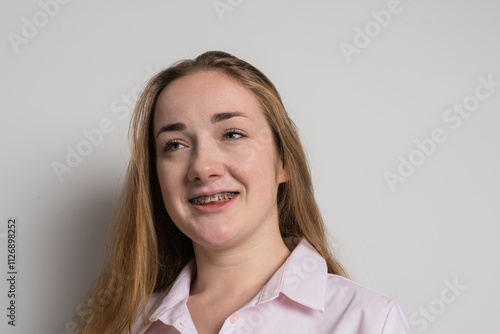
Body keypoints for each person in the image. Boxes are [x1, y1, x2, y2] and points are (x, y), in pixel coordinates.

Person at [79, 51, 410, 333]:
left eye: (232, 134)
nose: (202, 167)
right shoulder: (125, 326)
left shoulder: (368, 322)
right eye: (175, 145)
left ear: (284, 161)